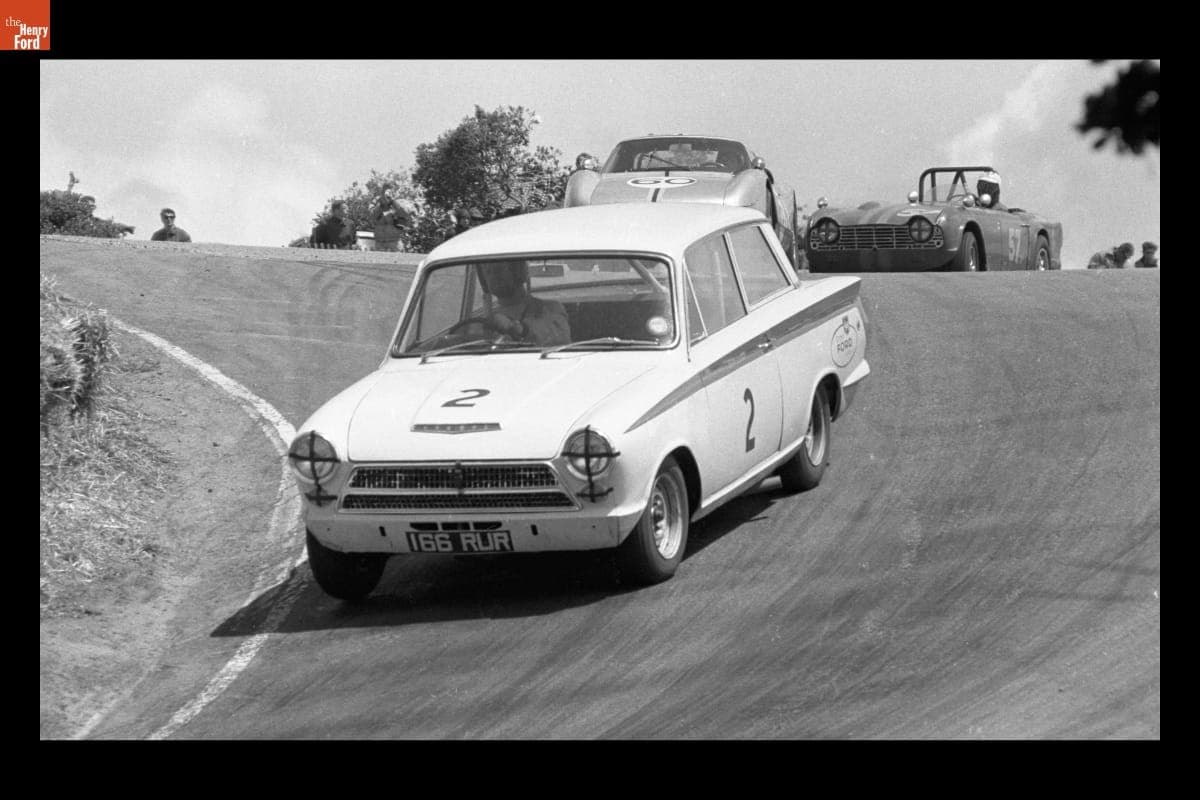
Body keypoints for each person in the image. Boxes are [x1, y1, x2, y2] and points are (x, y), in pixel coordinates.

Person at [473, 260, 571, 346]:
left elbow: (561, 341)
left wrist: (517, 328)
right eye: (488, 272)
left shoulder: (549, 308)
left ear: (517, 271)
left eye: (498, 270)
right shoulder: (483, 319)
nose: (493, 277)